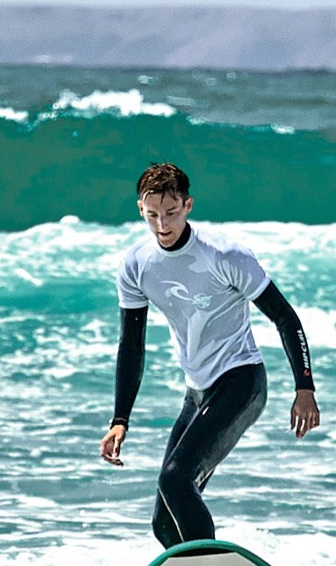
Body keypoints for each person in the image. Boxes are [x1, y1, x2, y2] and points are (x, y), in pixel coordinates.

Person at [100, 162, 319, 546]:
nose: (162, 225)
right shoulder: (136, 265)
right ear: (140, 209)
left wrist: (304, 388)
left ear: (188, 205)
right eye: (152, 215)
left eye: (171, 213)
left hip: (241, 381)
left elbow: (285, 317)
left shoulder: (224, 255)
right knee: (164, 524)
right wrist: (121, 419)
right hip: (197, 391)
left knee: (175, 478)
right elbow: (131, 345)